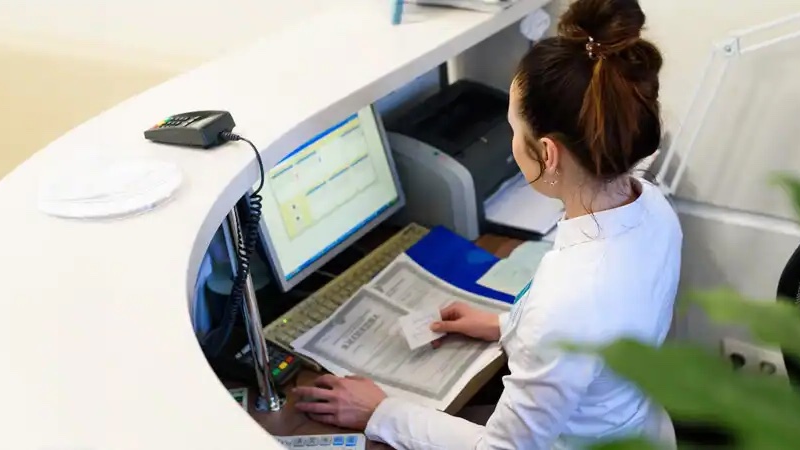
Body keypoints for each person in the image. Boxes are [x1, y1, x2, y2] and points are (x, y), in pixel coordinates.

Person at [291, 0, 682, 448]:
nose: (512, 141)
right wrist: (506, 324)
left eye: (515, 129)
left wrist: (381, 412)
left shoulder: (568, 298)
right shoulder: (651, 207)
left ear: (548, 154)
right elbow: (605, 329)